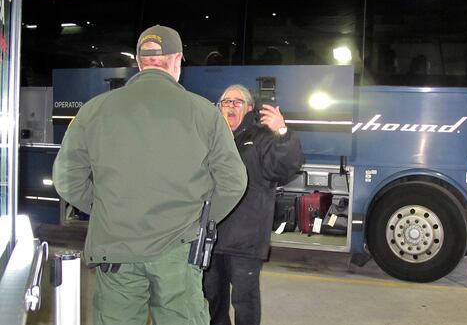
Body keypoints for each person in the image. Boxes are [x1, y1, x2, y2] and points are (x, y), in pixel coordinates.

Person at [52, 25, 247, 325]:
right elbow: (234, 181)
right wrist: (200, 220)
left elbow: (66, 178)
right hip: (178, 252)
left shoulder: (94, 110)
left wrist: (105, 208)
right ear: (177, 60)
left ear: (141, 62)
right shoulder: (204, 113)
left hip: (115, 249)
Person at [203, 84, 304, 325]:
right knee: (212, 298)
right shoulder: (211, 137)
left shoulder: (261, 137)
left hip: (246, 240)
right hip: (212, 236)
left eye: (237, 102)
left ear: (249, 108)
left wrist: (282, 132)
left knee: (244, 301)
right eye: (226, 102)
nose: (230, 106)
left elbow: (286, 167)